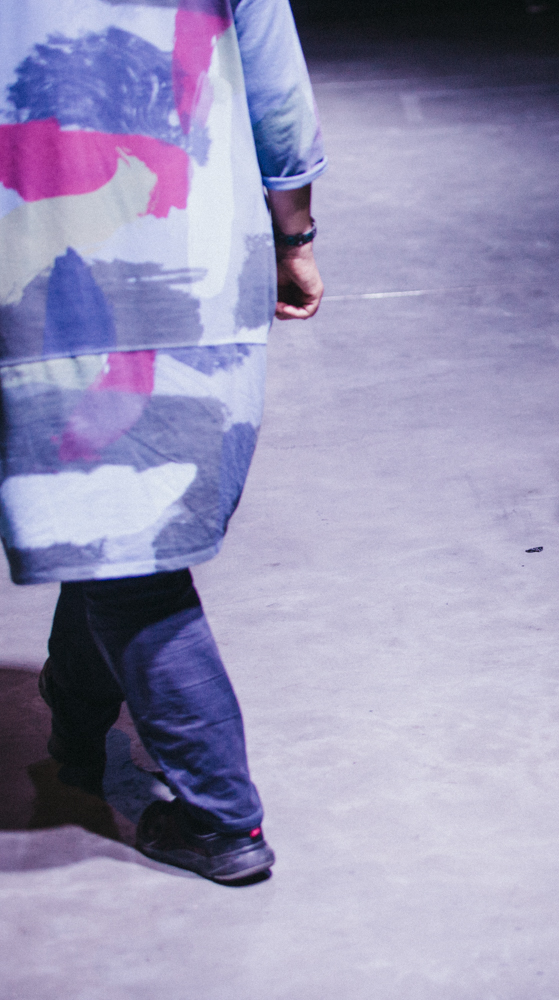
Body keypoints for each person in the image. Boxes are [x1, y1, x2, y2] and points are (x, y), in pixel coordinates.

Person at [0, 0, 326, 883]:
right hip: (198, 250)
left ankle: (223, 819)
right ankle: (75, 722)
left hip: (32, 258)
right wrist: (295, 235)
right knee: (113, 529)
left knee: (120, 542)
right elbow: (279, 99)